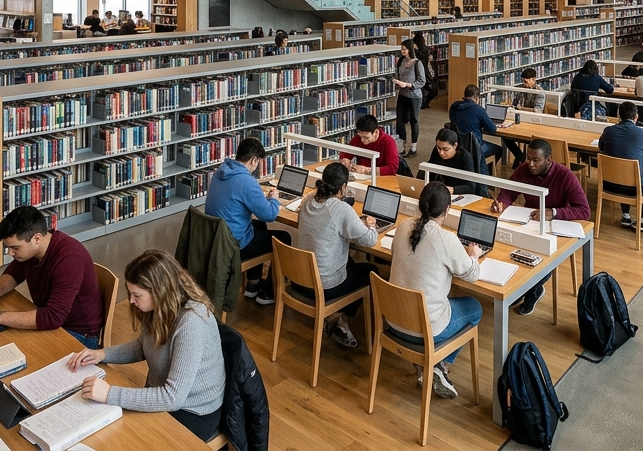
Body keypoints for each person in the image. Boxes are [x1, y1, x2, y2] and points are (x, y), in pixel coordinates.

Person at [67, 250, 225, 441]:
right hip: (164, 395)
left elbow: (172, 398)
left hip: (193, 411)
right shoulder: (160, 307)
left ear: (159, 291)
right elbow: (144, 345)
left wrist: (109, 393)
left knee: (125, 438)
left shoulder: (192, 322)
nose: (131, 301)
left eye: (136, 295)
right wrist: (102, 354)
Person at [388, 183, 482, 400]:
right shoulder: (446, 239)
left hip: (393, 321)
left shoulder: (403, 226)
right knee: (475, 307)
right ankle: (441, 364)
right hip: (425, 329)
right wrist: (474, 255)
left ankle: (434, 366)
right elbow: (472, 274)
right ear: (447, 210)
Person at [0, 205, 105, 346]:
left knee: (5, 343)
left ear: (37, 238)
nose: (9, 253)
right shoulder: (33, 249)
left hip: (78, 334)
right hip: (54, 320)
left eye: (15, 247)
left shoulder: (69, 260)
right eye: (7, 247)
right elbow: (14, 273)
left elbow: (53, 317)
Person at [491, 139, 590, 314]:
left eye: (536, 160)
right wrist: (502, 203)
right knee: (507, 246)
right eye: (528, 158)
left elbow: (584, 211)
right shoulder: (524, 169)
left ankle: (533, 290)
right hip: (529, 221)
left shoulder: (565, 176)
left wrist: (554, 212)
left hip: (556, 226)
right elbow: (508, 191)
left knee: (543, 254)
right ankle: (519, 286)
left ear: (549, 160)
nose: (530, 164)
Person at [292, 163, 378, 349]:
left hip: (299, 279)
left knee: (350, 262)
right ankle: (337, 315)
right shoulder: (341, 209)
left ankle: (337, 319)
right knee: (371, 271)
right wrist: (371, 225)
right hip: (324, 286)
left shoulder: (308, 198)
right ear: (344, 187)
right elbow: (370, 240)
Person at [203, 137, 291, 306]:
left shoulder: (221, 171)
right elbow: (270, 215)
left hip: (217, 238)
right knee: (284, 237)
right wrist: (273, 199)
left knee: (259, 226)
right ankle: (268, 292)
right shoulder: (246, 181)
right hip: (234, 245)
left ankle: (253, 283)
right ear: (254, 160)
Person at [598, 101, 643, 231]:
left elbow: (601, 147)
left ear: (619, 116)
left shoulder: (608, 131)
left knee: (624, 174)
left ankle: (626, 215)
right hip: (634, 187)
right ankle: (642, 218)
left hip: (610, 184)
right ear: (636, 117)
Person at [447, 84, 507, 165]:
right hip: (475, 147)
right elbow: (492, 129)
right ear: (476, 98)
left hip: (458, 145)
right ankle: (483, 171)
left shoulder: (454, 107)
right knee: (498, 149)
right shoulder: (478, 109)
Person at [505, 68, 543, 166]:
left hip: (534, 121)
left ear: (533, 80)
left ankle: (521, 159)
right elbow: (514, 103)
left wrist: (521, 108)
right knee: (506, 136)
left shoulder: (540, 92)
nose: (524, 84)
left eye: (526, 82)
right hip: (520, 118)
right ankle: (519, 155)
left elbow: (537, 110)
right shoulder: (521, 88)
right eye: (523, 81)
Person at [426, 128, 480, 195]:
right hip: (439, 191)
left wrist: (452, 190)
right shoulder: (436, 152)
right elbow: (430, 170)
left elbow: (471, 187)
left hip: (457, 193)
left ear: (455, 145)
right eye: (438, 148)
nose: (441, 153)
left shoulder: (465, 157)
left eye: (445, 149)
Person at [412, 32, 436, 109]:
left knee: (420, 88)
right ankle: (425, 103)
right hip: (426, 71)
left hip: (418, 71)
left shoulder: (416, 51)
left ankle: (420, 103)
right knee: (427, 87)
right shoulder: (426, 49)